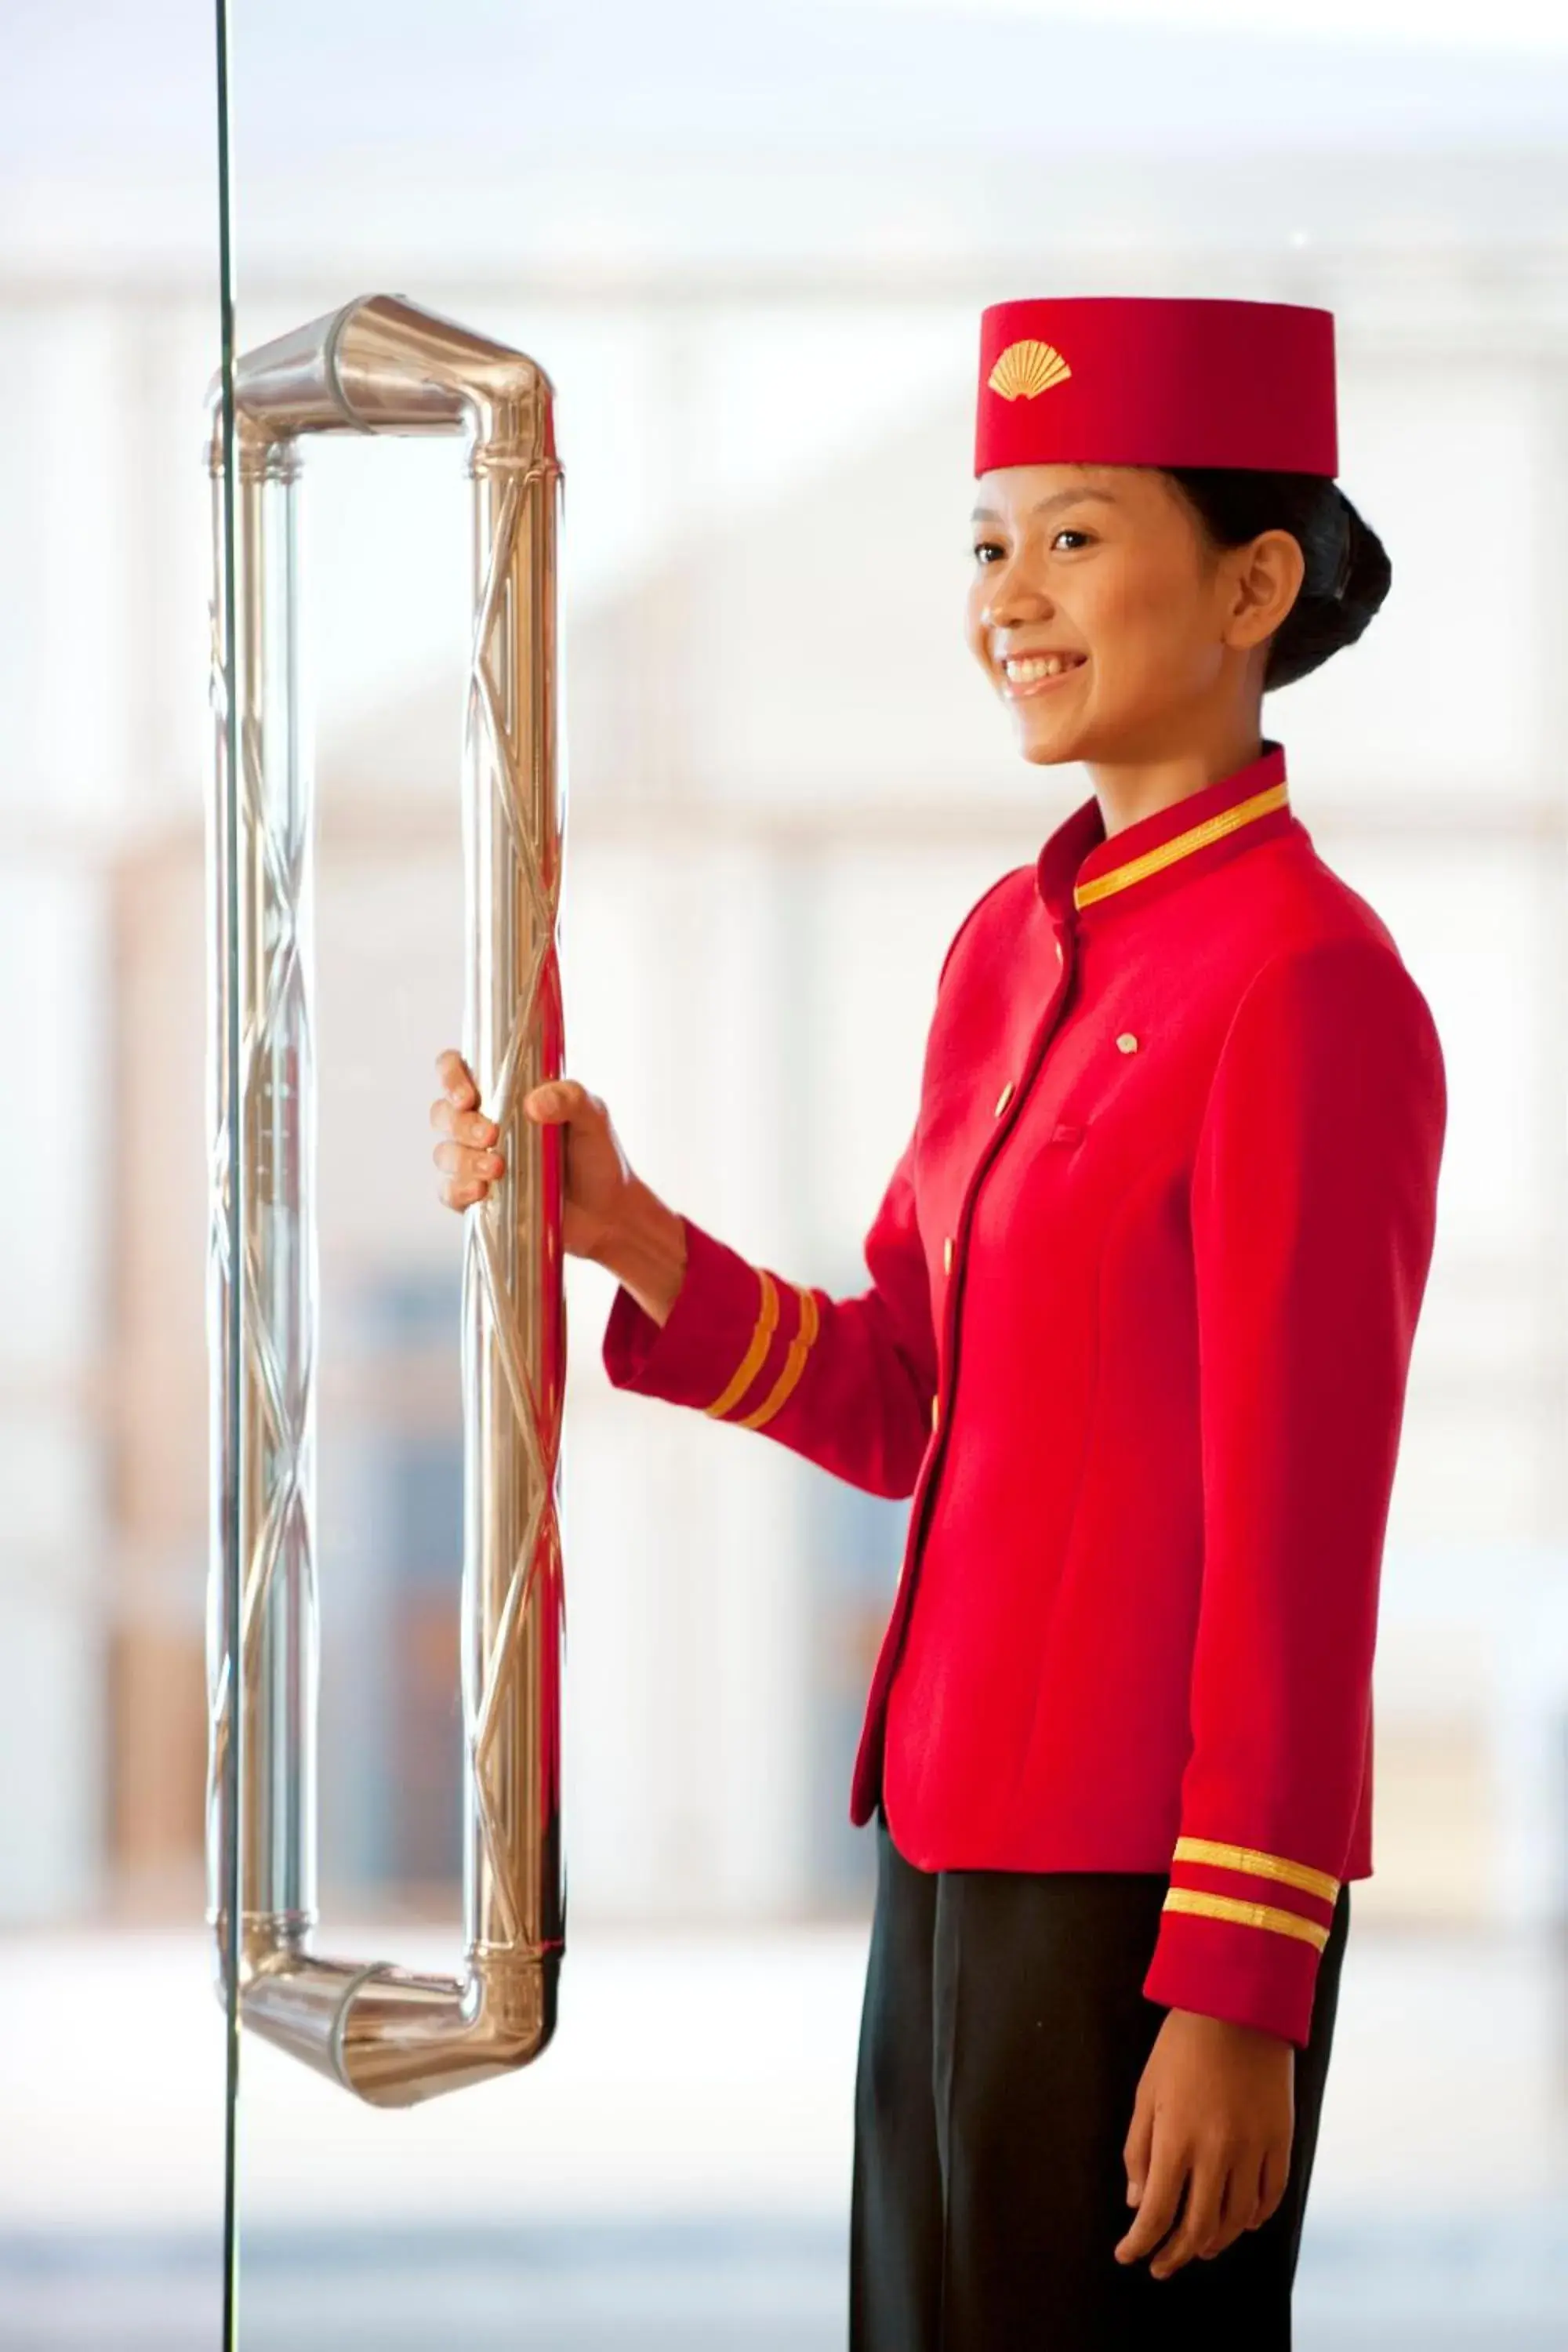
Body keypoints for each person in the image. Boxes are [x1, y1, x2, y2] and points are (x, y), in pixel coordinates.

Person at [428, 294, 1446, 2347]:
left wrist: (1240, 1986)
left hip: (1147, 1902)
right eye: (987, 546)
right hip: (956, 1838)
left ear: (1255, 583)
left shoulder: (1308, 983)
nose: (1010, 599)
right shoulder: (1011, 946)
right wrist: (629, 1233)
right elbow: (909, 1392)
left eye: (1073, 536)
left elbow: (1301, 1541)